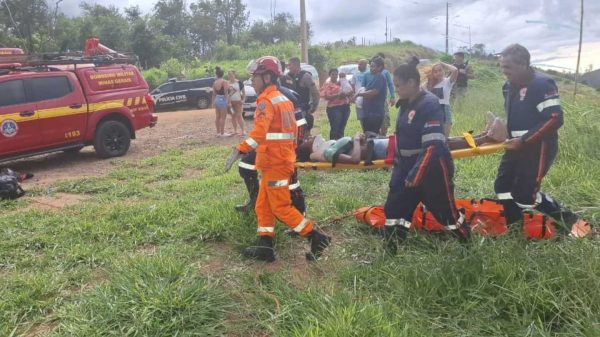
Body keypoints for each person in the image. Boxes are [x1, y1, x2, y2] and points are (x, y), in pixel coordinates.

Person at [225, 56, 331, 262]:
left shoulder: (266, 101)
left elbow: (259, 133)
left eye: (254, 77)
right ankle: (265, 247)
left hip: (275, 163)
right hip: (278, 161)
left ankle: (317, 237)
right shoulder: (283, 99)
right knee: (262, 206)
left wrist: (240, 150)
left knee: (280, 207)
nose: (252, 82)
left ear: (267, 77)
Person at [494, 44, 591, 237]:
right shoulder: (508, 87)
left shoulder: (542, 84)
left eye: (508, 67)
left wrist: (524, 140)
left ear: (523, 64)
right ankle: (515, 227)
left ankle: (577, 226)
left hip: (538, 148)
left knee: (525, 194)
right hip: (514, 146)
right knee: (502, 187)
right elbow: (516, 116)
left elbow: (554, 118)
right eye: (502, 67)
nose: (503, 71)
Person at [382, 57, 470, 254]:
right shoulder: (405, 103)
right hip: (405, 167)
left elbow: (434, 145)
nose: (396, 89)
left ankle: (467, 244)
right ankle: (391, 249)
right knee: (394, 209)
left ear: (412, 83)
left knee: (446, 214)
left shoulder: (429, 104)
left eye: (398, 85)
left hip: (432, 170)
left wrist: (415, 175)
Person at [295, 115, 507, 164]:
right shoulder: (316, 154)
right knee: (435, 143)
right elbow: (352, 160)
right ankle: (486, 138)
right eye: (306, 139)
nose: (310, 136)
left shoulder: (318, 146)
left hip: (381, 144)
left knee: (436, 140)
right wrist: (357, 141)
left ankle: (481, 136)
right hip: (381, 150)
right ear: (306, 149)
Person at [286, 57, 320, 134]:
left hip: (302, 112)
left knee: (303, 135)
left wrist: (312, 108)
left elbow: (315, 93)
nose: (288, 67)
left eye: (290, 65)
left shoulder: (305, 76)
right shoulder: (288, 77)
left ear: (295, 65)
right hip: (290, 112)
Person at [424, 62, 459, 136]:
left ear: (444, 71)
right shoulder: (429, 84)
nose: (438, 73)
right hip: (432, 111)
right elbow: (419, 89)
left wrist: (442, 64)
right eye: (435, 72)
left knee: (445, 136)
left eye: (440, 70)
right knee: (434, 135)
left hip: (444, 109)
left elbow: (455, 70)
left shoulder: (447, 81)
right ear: (433, 74)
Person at [354, 56, 387, 134]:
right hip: (369, 113)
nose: (371, 68)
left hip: (375, 114)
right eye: (370, 66)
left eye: (373, 66)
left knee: (371, 137)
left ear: (380, 67)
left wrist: (359, 94)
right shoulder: (375, 77)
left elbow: (373, 93)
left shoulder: (380, 77)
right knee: (368, 135)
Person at [320, 68, 351, 140]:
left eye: (336, 74)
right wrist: (338, 95)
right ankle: (333, 144)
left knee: (341, 128)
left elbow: (350, 91)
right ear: (329, 75)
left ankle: (341, 145)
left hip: (345, 107)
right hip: (334, 109)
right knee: (335, 128)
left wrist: (346, 94)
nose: (335, 76)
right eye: (333, 74)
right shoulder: (327, 84)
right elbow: (327, 97)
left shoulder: (342, 82)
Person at [374, 52, 397, 136]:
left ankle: (383, 135)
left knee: (385, 118)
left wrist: (393, 96)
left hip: (383, 100)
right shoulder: (370, 73)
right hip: (372, 101)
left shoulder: (385, 72)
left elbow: (390, 84)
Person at [212, 66, 231, 137]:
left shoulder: (214, 82)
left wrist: (212, 102)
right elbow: (226, 93)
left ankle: (218, 133)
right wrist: (228, 102)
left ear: (216, 74)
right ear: (223, 74)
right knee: (223, 117)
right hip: (223, 99)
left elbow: (214, 94)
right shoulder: (224, 82)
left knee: (217, 117)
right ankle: (222, 133)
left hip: (217, 99)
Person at [227, 70, 245, 135]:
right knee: (233, 116)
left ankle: (243, 130)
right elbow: (226, 94)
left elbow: (244, 92)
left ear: (234, 75)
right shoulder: (227, 83)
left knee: (239, 116)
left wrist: (243, 100)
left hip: (238, 102)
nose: (230, 76)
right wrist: (228, 102)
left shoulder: (239, 82)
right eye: (229, 75)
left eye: (231, 74)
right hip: (230, 103)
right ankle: (235, 130)